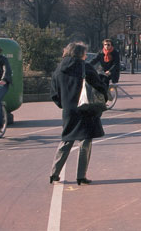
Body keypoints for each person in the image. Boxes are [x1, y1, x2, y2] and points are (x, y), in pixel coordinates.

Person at [49, 42, 108, 185]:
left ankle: (54, 173)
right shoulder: (85, 67)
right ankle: (81, 176)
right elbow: (99, 86)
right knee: (85, 142)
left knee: (67, 139)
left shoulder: (59, 69)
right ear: (80, 54)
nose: (86, 56)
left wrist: (65, 105)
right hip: (86, 109)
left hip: (69, 110)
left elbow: (54, 93)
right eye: (85, 53)